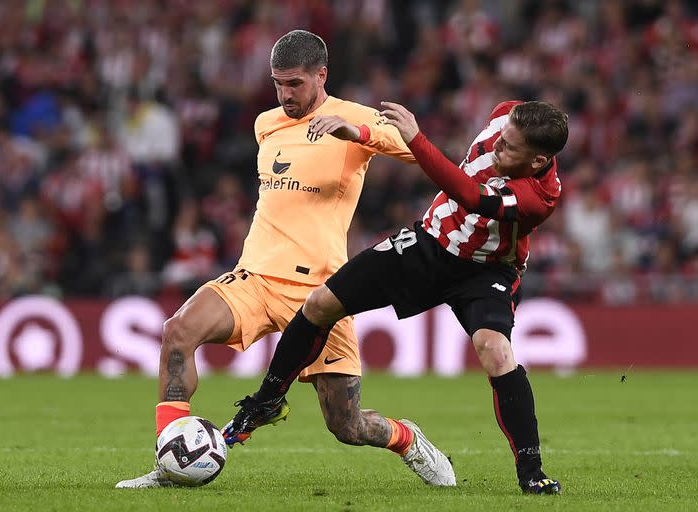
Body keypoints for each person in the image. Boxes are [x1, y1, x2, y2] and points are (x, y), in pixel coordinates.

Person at [116, 30, 455, 488]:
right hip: (256, 276)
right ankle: (167, 460)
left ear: (322, 75)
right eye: (278, 84)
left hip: (324, 293)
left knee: (346, 425)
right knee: (177, 332)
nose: (285, 95)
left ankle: (407, 440)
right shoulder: (266, 124)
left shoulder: (353, 117)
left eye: (295, 84)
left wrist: (355, 132)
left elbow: (417, 152)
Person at [223, 99, 569, 495]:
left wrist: (415, 137)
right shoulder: (507, 114)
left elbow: (469, 195)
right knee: (320, 304)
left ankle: (531, 471)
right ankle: (268, 400)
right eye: (501, 136)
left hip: (486, 270)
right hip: (429, 243)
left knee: (495, 349)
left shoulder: (537, 197)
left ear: (538, 161)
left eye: (509, 148)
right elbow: (495, 134)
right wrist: (362, 133)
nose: (497, 147)